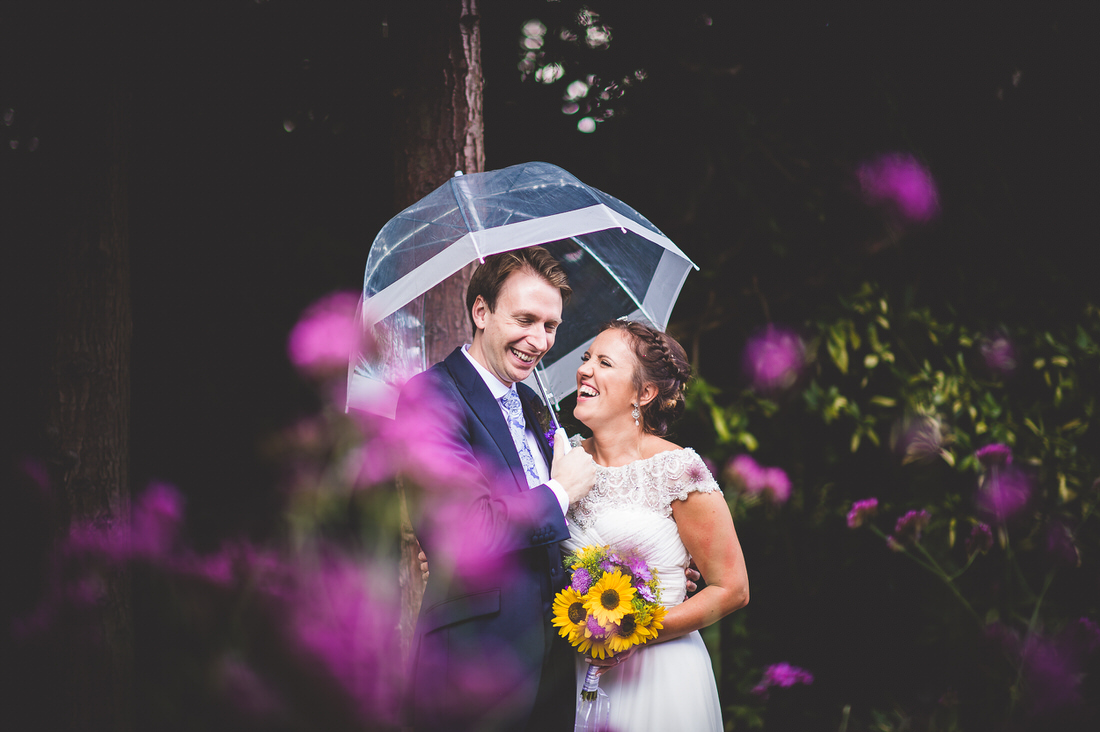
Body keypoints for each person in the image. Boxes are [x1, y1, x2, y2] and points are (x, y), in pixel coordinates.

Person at [397, 247, 598, 732]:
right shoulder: (429, 396)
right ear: (481, 311)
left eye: (550, 325)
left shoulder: (535, 404)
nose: (539, 340)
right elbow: (466, 532)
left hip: (552, 662)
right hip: (474, 660)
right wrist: (559, 492)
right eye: (525, 319)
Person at [561, 319, 749, 732]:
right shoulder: (559, 461)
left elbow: (732, 588)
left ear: (643, 394)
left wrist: (632, 634)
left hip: (662, 674)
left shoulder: (678, 469)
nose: (586, 369)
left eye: (605, 362)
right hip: (576, 674)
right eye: (586, 357)